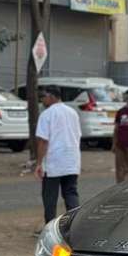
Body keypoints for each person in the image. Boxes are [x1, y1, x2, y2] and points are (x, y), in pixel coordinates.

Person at [34, 85, 82, 224]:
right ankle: (74, 225)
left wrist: (39, 163)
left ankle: (50, 225)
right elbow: (78, 135)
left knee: (50, 197)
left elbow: (43, 141)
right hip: (72, 160)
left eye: (44, 97)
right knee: (71, 193)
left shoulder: (47, 114)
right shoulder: (72, 112)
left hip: (53, 162)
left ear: (52, 96)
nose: (42, 100)